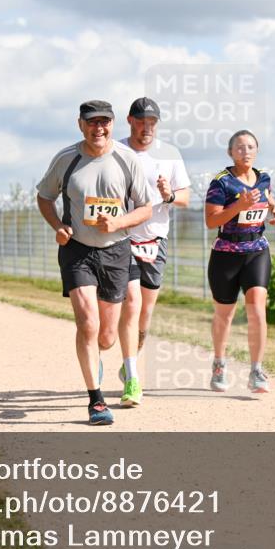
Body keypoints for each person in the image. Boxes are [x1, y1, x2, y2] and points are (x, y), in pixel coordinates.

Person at [36, 100, 152, 425]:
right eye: (92, 122)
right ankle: (96, 400)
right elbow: (44, 197)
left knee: (107, 336)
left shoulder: (127, 160)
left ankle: (100, 357)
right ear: (80, 125)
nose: (98, 128)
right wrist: (58, 226)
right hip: (77, 250)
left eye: (104, 122)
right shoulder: (66, 158)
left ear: (113, 125)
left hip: (116, 250)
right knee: (87, 323)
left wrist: (118, 223)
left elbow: (145, 207)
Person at [113, 97, 191, 406]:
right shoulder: (116, 151)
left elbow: (185, 196)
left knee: (145, 313)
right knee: (131, 305)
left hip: (156, 239)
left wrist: (169, 195)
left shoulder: (169, 154)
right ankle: (133, 379)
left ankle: (128, 358)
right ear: (130, 121)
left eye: (152, 123)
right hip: (123, 238)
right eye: (142, 121)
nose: (147, 128)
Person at [204, 130, 275, 394]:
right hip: (226, 254)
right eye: (239, 147)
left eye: (250, 147)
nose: (245, 151)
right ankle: (219, 364)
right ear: (230, 153)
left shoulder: (263, 178)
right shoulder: (221, 183)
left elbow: (267, 197)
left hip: (256, 251)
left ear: (256, 151)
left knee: (257, 308)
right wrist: (239, 206)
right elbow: (211, 221)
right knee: (224, 316)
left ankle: (257, 370)